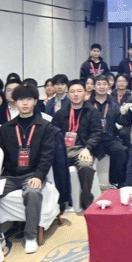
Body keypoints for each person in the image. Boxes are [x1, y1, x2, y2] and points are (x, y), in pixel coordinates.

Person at [0, 84, 58, 253]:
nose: (24, 103)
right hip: (9, 176)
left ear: (35, 101)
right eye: (21, 99)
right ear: (15, 102)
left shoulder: (45, 126)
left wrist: (39, 175)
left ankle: (30, 236)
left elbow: (47, 155)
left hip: (32, 174)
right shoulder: (5, 129)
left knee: (32, 193)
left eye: (29, 99)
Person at [50, 80, 103, 210]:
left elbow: (97, 133)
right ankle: (61, 200)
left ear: (85, 93)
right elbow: (53, 135)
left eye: (79, 91)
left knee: (85, 166)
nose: (76, 94)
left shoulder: (93, 112)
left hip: (82, 149)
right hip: (63, 150)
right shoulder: (60, 114)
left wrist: (88, 148)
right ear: (68, 94)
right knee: (53, 165)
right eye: (72, 91)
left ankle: (86, 199)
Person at [90, 74, 132, 187]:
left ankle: (115, 182)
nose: (101, 87)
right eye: (98, 84)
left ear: (109, 86)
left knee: (121, 151)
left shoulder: (114, 104)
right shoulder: (88, 104)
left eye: (104, 84)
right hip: (92, 140)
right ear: (94, 87)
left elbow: (123, 122)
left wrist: (126, 113)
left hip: (110, 138)